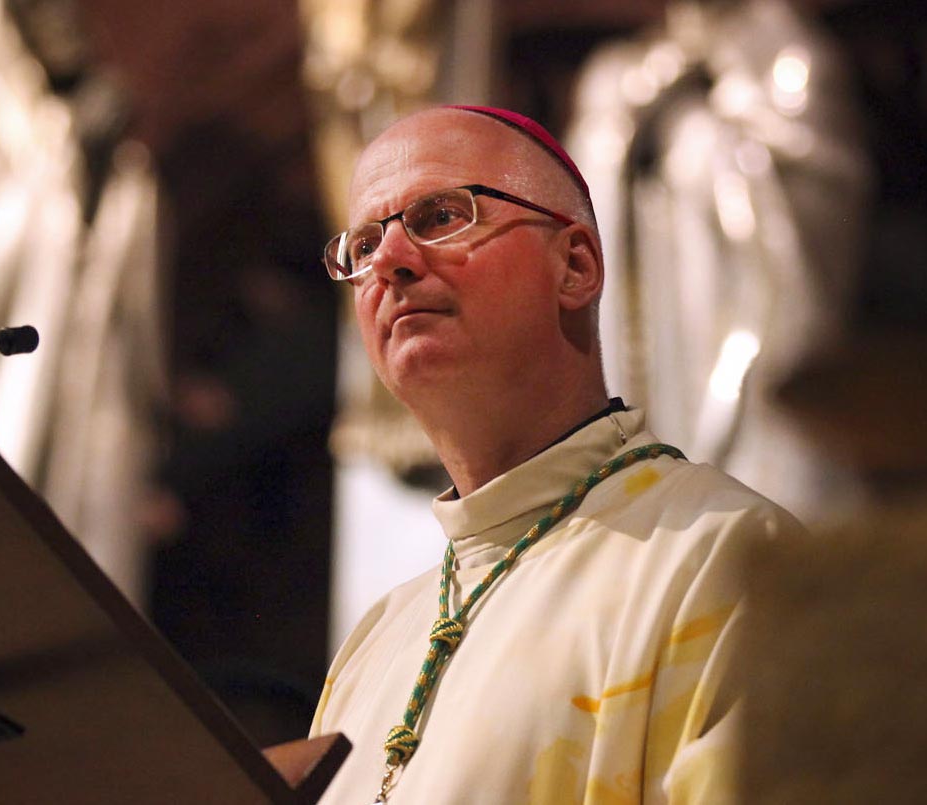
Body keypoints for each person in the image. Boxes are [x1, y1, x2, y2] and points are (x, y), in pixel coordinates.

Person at [308, 105, 807, 803]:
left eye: (440, 216)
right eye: (361, 247)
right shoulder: (373, 645)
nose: (389, 261)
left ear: (574, 265)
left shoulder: (726, 556)